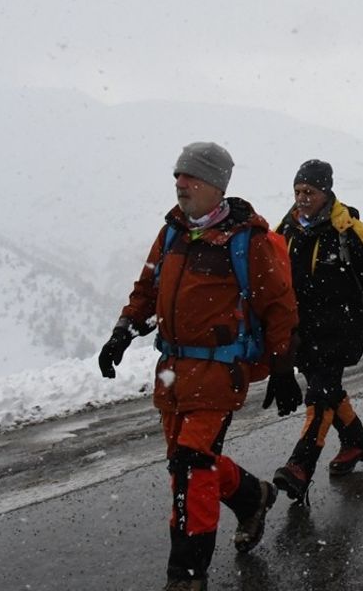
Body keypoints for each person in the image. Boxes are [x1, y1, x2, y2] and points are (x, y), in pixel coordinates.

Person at [98, 142, 299, 591]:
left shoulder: (249, 240)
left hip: (218, 373)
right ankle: (253, 497)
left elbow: (279, 307)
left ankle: (187, 575)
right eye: (177, 176)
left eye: (190, 178)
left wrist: (284, 367)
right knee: (188, 461)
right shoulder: (172, 230)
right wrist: (123, 331)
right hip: (172, 372)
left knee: (191, 467)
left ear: (215, 186)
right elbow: (147, 288)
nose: (180, 185)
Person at [271, 160, 363, 505]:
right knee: (329, 392)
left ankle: (299, 467)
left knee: (319, 394)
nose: (303, 198)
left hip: (340, 328)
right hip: (302, 331)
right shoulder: (284, 230)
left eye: (310, 192)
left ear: (326, 192)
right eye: (298, 192)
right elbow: (270, 278)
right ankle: (356, 443)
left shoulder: (349, 230)